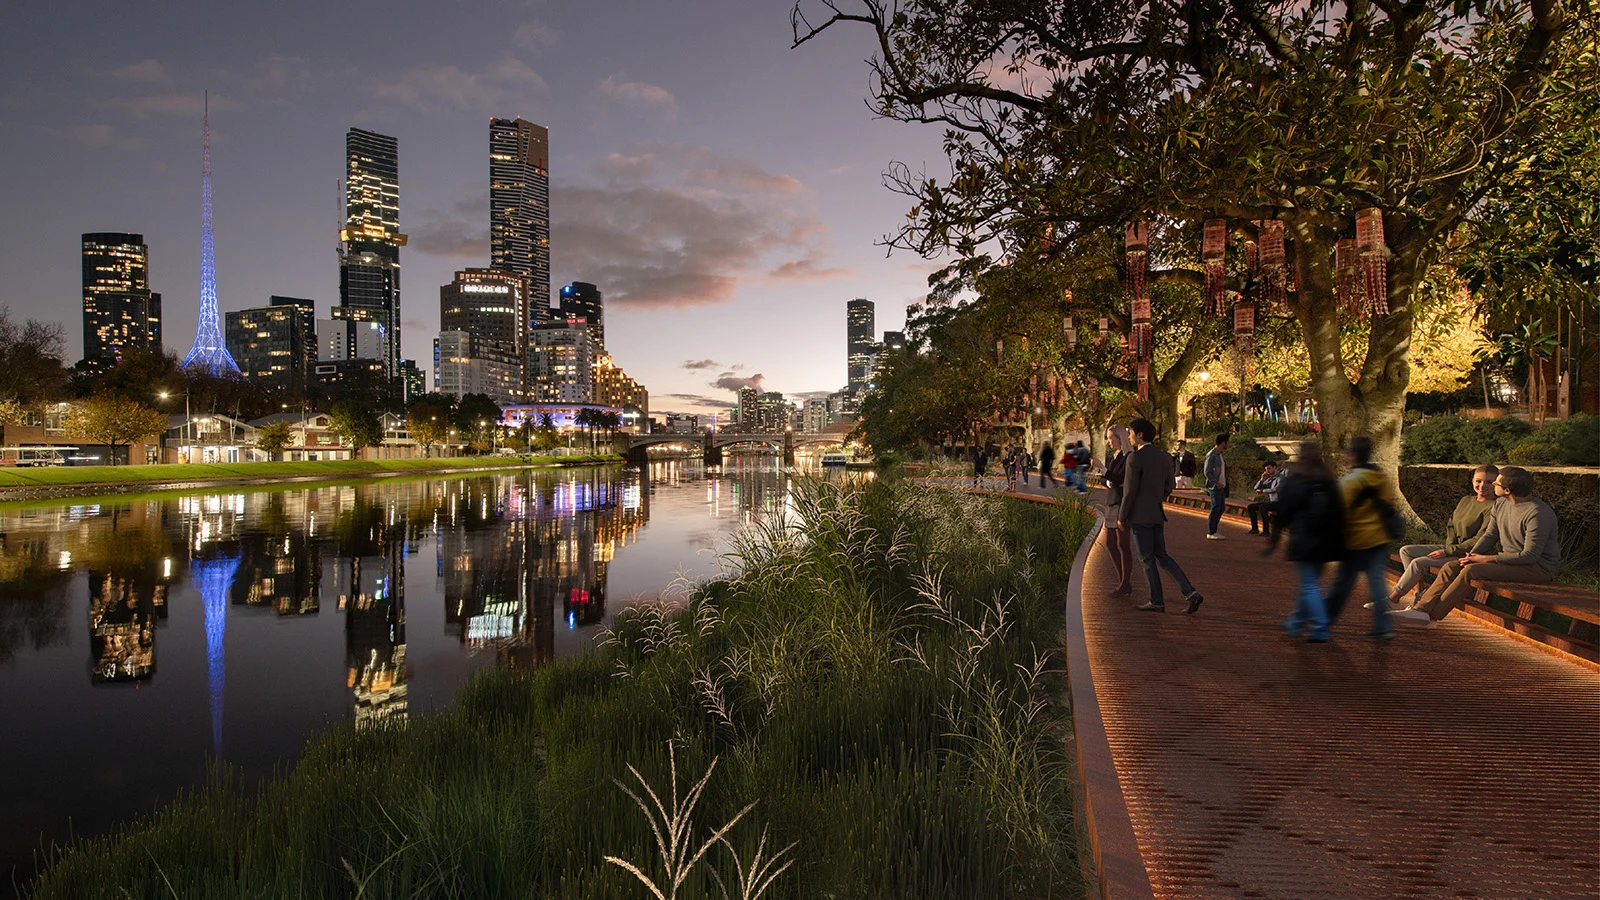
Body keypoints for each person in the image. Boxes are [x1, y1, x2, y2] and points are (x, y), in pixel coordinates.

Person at [1399, 466, 1560, 624]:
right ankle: (1420, 610)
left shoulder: (1537, 514)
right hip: (1509, 560)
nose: (1492, 486)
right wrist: (1471, 555)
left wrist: (1484, 559)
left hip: (1537, 568)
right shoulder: (1501, 504)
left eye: (1496, 483)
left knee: (1471, 570)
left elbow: (1530, 556)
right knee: (1451, 566)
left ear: (1507, 491)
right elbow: (1490, 535)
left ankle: (1432, 616)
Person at [1120, 417, 1205, 614]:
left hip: (1140, 516)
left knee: (1147, 559)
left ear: (1140, 435)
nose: (1129, 436)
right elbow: (1170, 485)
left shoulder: (1134, 458)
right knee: (1163, 556)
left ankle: (1156, 600)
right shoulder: (1164, 457)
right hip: (1157, 514)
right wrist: (1158, 497)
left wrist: (1122, 516)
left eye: (1130, 432)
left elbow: (1129, 491)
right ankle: (1190, 592)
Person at [1385, 464, 1498, 610]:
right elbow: (1451, 524)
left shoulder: (1493, 507)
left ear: (1496, 484)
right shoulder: (1466, 500)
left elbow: (1481, 539)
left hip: (1469, 554)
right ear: (1472, 481)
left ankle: (1393, 599)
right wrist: (1448, 546)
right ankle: (1420, 594)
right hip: (1452, 548)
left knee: (1419, 563)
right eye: (1479, 481)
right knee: (1406, 551)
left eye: (1489, 482)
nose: (1482, 485)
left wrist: (1448, 551)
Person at [1320, 436, 1399, 639]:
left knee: (1342, 584)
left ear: (1352, 454)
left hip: (1354, 541)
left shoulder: (1349, 482)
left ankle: (1325, 621)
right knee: (1377, 584)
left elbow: (1337, 512)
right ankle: (1383, 626)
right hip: (1378, 538)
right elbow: (1390, 505)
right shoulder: (1381, 478)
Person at [1266, 442, 1344, 641]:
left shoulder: (1296, 481)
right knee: (1311, 583)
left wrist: (1274, 541)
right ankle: (1296, 622)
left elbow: (1283, 513)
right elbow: (1341, 512)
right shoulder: (1329, 481)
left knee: (1310, 585)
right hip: (1326, 541)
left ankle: (1321, 627)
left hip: (1304, 538)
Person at [1101, 424, 1135, 597]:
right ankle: (1124, 580)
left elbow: (1121, 479)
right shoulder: (1114, 457)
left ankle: (1125, 583)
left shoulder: (1128, 456)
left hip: (1121, 502)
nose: (1108, 442)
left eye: (1110, 438)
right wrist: (1107, 477)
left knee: (1123, 543)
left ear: (1119, 437)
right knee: (1110, 543)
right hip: (1111, 501)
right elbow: (1109, 479)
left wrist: (1103, 469)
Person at [1203, 433, 1230, 539]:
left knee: (1221, 508)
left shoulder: (1220, 454)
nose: (1229, 444)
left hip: (1222, 486)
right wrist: (1216, 482)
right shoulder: (1211, 455)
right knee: (1215, 508)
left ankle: (1214, 530)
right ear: (1223, 443)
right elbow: (1207, 472)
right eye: (1228, 442)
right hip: (1214, 487)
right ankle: (1211, 532)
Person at [1246, 461, 1282, 535]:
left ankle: (1266, 531)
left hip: (1280, 502)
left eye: (1269, 468)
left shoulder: (1281, 478)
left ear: (1275, 467)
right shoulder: (1269, 479)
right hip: (1272, 502)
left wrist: (1263, 491)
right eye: (1266, 469)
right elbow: (1256, 488)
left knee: (1263, 507)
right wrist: (1262, 479)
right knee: (1250, 507)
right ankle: (1254, 529)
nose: (1267, 471)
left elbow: (1276, 489)